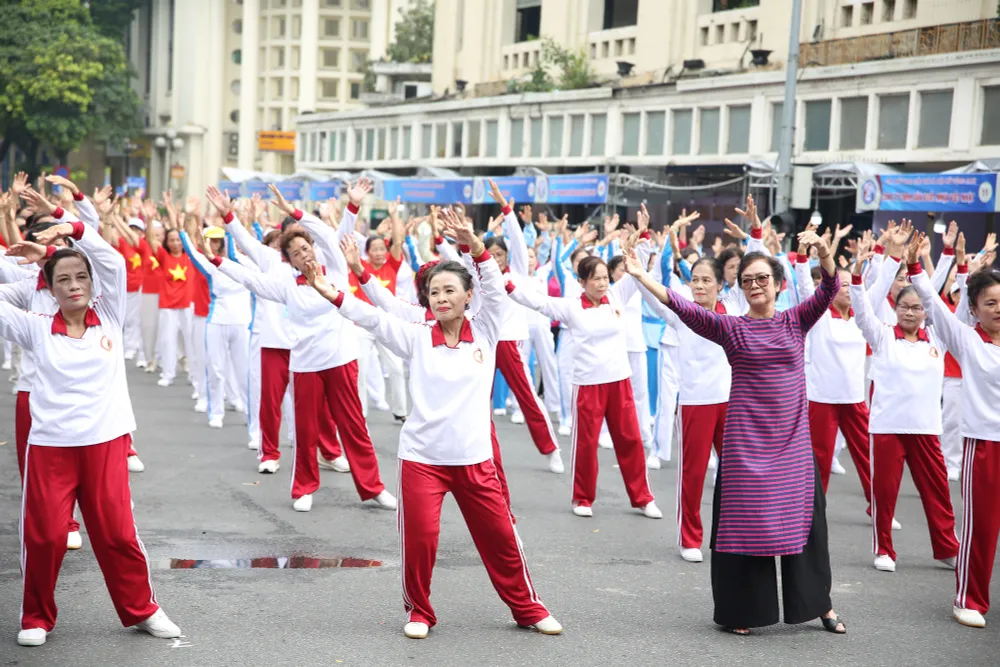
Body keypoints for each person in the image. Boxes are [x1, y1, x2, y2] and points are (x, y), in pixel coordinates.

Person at [302, 209, 561, 640]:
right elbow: (374, 318)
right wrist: (331, 290)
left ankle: (527, 608)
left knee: (501, 539)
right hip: (422, 459)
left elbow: (495, 289)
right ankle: (419, 611)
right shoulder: (418, 337)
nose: (441, 298)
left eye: (449, 291)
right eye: (434, 293)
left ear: (466, 297)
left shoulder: (488, 329)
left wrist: (474, 245)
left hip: (475, 460)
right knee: (420, 542)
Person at [625, 197, 846, 636]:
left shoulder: (796, 320)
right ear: (740, 287)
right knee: (744, 528)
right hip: (746, 445)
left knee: (808, 531)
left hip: (793, 444)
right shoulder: (732, 328)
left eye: (763, 278)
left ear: (779, 284)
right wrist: (641, 275)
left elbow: (829, 288)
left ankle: (820, 605)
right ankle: (741, 611)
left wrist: (822, 252)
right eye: (747, 281)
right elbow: (684, 308)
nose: (756, 285)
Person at [1, 217, 181, 647]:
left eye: (81, 276)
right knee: (44, 536)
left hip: (104, 443)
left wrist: (74, 231)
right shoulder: (36, 326)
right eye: (62, 279)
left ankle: (143, 610)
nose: (74, 284)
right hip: (50, 447)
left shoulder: (111, 317)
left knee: (117, 534)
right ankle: (37, 617)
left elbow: (114, 262)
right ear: (50, 289)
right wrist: (36, 261)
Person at [205, 184, 394, 513]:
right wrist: (220, 257)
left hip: (341, 359)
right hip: (305, 365)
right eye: (295, 253)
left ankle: (373, 487)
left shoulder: (335, 269)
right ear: (288, 260)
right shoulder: (286, 287)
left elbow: (326, 232)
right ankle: (304, 488)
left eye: (306, 248)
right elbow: (250, 280)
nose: (304, 254)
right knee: (306, 433)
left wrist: (296, 212)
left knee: (354, 427)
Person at [507, 227, 661, 520]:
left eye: (605, 277)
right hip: (588, 384)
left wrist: (644, 237)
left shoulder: (617, 295)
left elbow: (636, 269)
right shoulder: (570, 308)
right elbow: (539, 302)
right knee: (587, 444)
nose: (603, 283)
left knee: (629, 439)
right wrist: (511, 288)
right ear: (582, 282)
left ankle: (643, 497)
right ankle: (582, 497)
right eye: (597, 279)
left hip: (619, 381)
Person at [850, 238, 959, 573]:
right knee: (884, 493)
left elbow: (941, 299)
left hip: (926, 427)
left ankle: (946, 547)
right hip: (887, 427)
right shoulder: (882, 335)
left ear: (925, 311)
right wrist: (857, 277)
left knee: (938, 492)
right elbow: (862, 311)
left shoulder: (938, 339)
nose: (910, 312)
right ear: (895, 309)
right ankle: (884, 548)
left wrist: (948, 259)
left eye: (917, 307)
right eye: (904, 307)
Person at [908, 236, 1000, 629]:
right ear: (975, 309)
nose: (999, 309)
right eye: (990, 302)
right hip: (986, 445)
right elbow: (935, 308)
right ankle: (969, 598)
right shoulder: (967, 340)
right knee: (981, 528)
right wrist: (916, 267)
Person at [637, 255, 733, 563]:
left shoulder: (734, 309)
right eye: (695, 280)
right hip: (696, 404)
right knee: (692, 475)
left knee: (736, 474)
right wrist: (638, 269)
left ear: (720, 285)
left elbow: (750, 271)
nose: (700, 286)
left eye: (707, 280)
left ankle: (735, 535)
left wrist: (756, 235)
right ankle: (689, 538)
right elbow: (654, 299)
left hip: (731, 403)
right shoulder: (682, 314)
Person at [181, 221, 251, 429]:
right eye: (216, 242)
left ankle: (250, 413)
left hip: (242, 324)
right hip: (217, 322)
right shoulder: (213, 267)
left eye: (222, 242)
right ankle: (216, 412)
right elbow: (193, 254)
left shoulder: (248, 267)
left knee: (244, 371)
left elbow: (245, 246)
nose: (221, 246)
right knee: (216, 369)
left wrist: (230, 226)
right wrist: (183, 231)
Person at [144, 199, 195, 388]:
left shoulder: (189, 255)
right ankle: (168, 373)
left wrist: (189, 215)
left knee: (191, 341)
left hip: (187, 305)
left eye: (178, 240)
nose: (175, 243)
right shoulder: (164, 256)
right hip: (167, 305)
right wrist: (149, 219)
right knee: (167, 341)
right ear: (167, 242)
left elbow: (191, 233)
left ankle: (194, 376)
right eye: (171, 240)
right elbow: (151, 240)